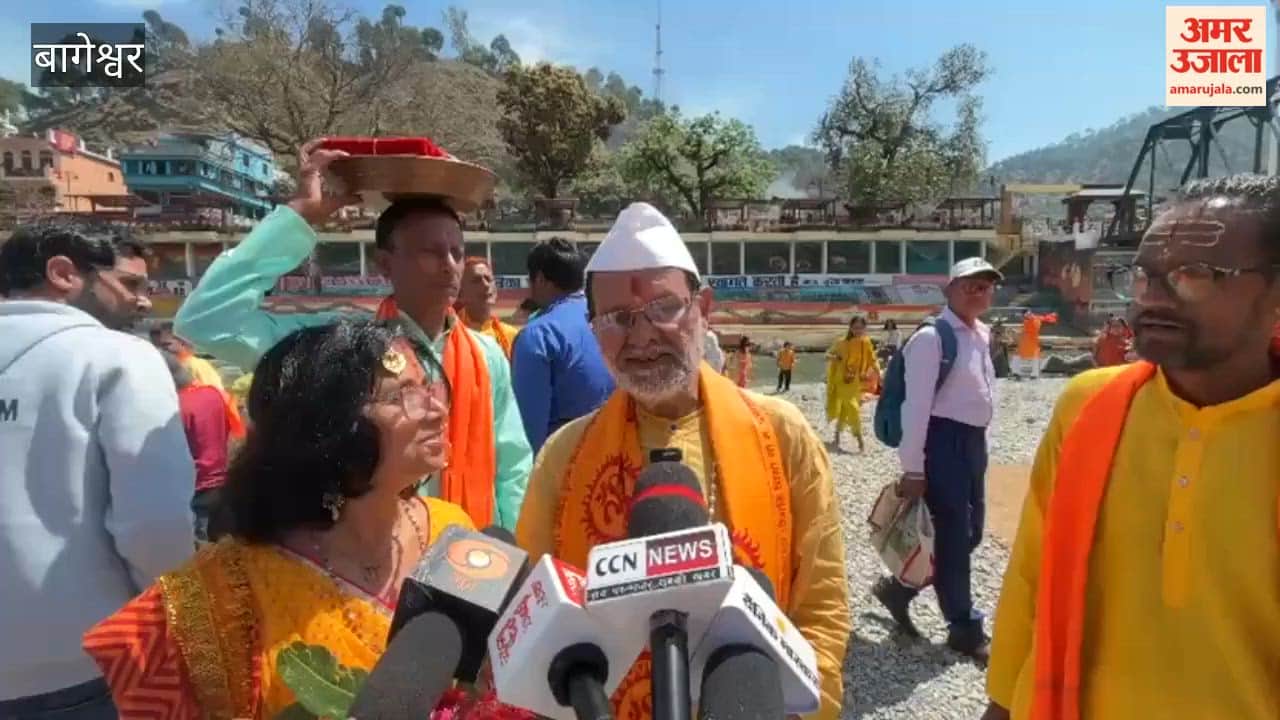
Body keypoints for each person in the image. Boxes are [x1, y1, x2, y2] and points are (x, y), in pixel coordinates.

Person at [516, 202, 851, 720]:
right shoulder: (565, 456)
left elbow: (821, 610)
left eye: (664, 308)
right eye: (618, 319)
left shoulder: (782, 436)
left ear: (704, 307)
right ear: (592, 328)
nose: (643, 335)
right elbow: (536, 622)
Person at [983, 175, 1280, 720]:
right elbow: (1031, 576)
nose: (1153, 299)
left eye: (1194, 275)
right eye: (1144, 277)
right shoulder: (1089, 406)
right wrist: (1001, 704)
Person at [84, 321, 480, 718]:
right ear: (328, 432)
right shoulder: (217, 599)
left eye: (427, 387)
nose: (438, 410)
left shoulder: (452, 531)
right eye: (400, 396)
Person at [173, 140, 532, 530]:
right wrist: (299, 216)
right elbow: (206, 321)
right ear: (384, 264)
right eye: (431, 252)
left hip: (467, 558)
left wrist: (510, 550)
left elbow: (512, 466)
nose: (449, 267)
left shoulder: (486, 354)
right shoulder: (337, 343)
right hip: (359, 560)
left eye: (457, 252)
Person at [0, 222, 195, 719]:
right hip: (76, 668)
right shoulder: (119, 357)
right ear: (63, 273)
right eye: (129, 285)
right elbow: (156, 527)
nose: (145, 302)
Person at [872, 256, 1000, 661]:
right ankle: (963, 626)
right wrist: (913, 467)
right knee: (954, 537)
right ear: (950, 290)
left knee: (969, 533)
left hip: (970, 445)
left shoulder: (981, 334)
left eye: (985, 285)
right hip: (942, 443)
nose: (978, 292)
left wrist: (983, 445)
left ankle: (899, 589)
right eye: (969, 285)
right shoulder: (932, 338)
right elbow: (916, 406)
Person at [510, 238, 615, 454]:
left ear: (539, 279)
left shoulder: (538, 335)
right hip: (618, 458)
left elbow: (528, 433)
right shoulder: (611, 320)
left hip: (565, 467)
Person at [161, 350, 234, 544]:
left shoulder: (174, 409)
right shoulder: (213, 394)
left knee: (198, 551)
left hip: (195, 486)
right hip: (220, 479)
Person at [151, 321, 246, 440]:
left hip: (204, 427)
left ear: (183, 343)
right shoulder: (164, 367)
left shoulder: (196, 365)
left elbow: (215, 396)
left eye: (166, 345)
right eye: (156, 347)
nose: (161, 351)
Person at [825, 316, 879, 453]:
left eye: (861, 328)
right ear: (850, 327)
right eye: (855, 328)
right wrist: (836, 357)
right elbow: (827, 355)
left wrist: (879, 373)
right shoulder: (841, 342)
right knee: (853, 407)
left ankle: (837, 434)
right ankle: (860, 439)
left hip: (855, 381)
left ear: (864, 328)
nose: (858, 331)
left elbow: (872, 359)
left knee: (845, 409)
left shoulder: (866, 342)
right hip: (841, 380)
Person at [456, 257, 518, 359]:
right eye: (476, 280)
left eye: (488, 279)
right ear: (460, 293)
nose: (485, 285)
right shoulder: (449, 334)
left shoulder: (510, 336)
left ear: (495, 291)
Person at [1013, 309, 1057, 379]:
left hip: (1030, 341)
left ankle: (1019, 373)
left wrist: (1052, 315)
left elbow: (1027, 329)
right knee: (1030, 355)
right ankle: (1019, 373)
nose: (1027, 315)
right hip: (1028, 341)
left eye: (1028, 314)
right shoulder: (1032, 319)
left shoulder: (1032, 320)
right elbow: (1025, 330)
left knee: (1031, 356)